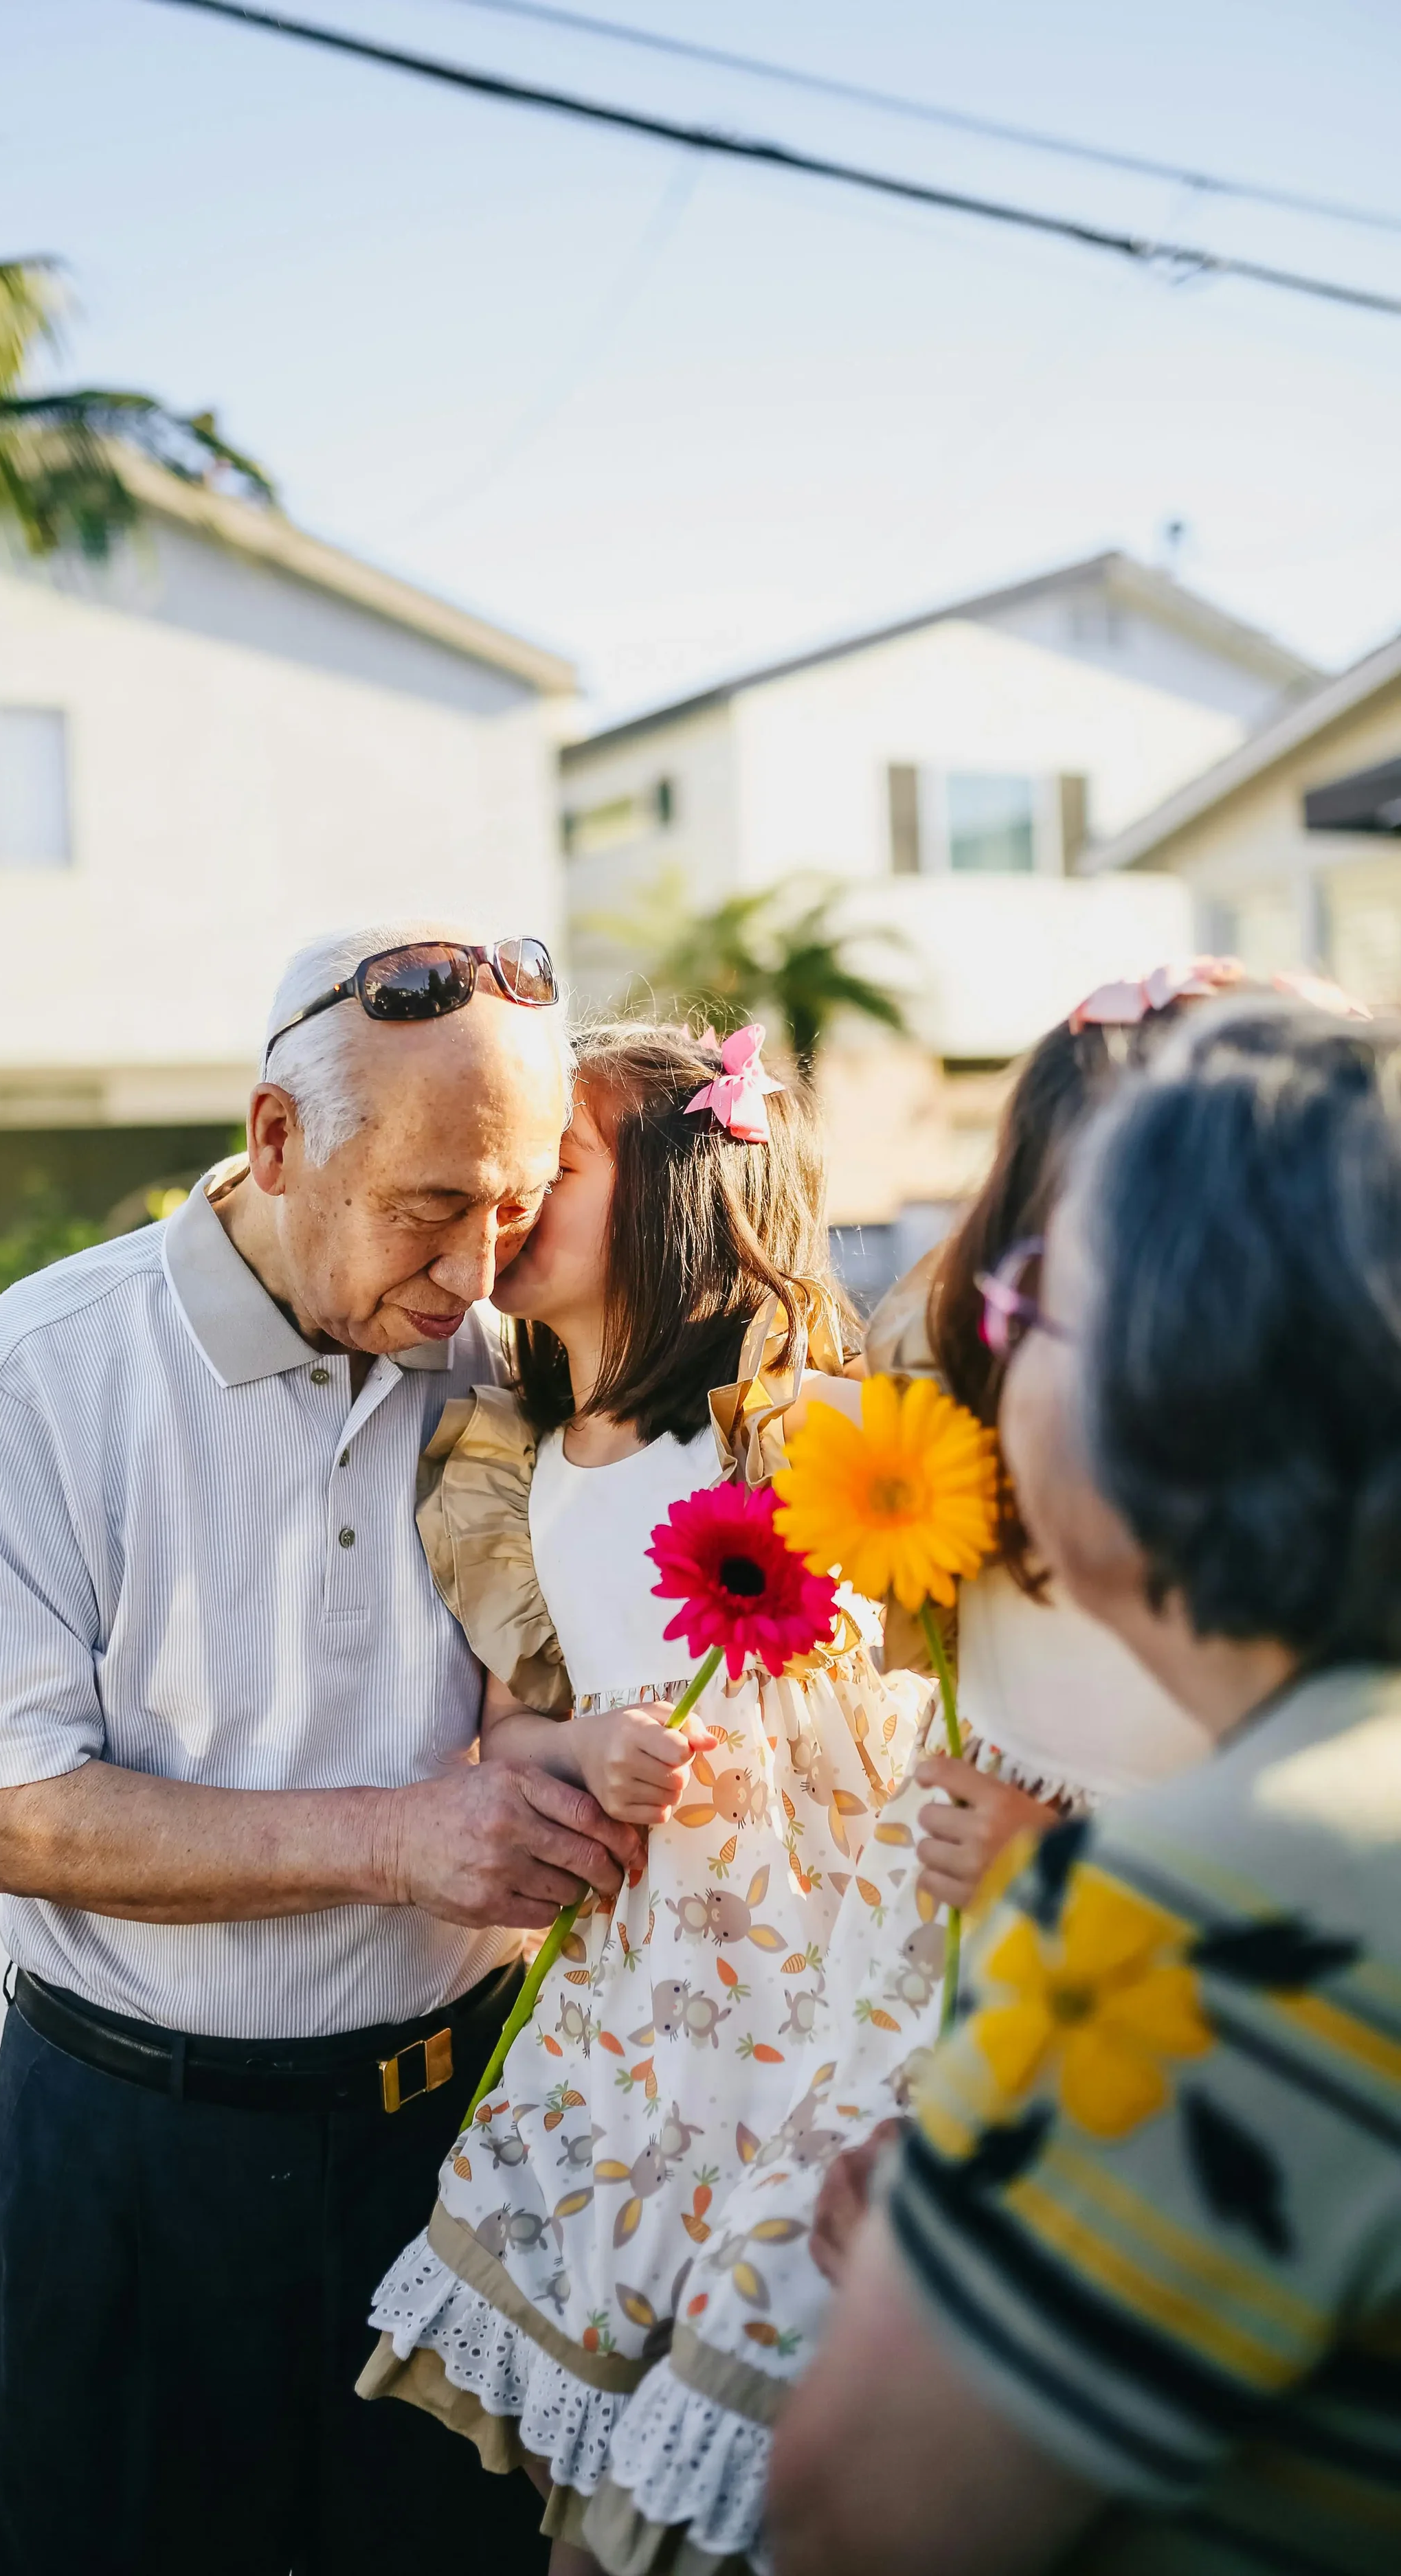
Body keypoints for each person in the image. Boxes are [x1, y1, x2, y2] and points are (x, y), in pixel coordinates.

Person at [0, 923, 645, 2576]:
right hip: (137, 2163)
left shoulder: (506, 1350)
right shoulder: (39, 1372)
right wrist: (395, 1840)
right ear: (277, 1139)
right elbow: (6, 1814)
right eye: (430, 1209)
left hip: (458, 2152)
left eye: (511, 1205)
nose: (474, 1268)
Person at [583, 974, 1215, 2575]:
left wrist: (1054, 1866)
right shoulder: (955, 1436)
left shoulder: (1288, 1505)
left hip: (1146, 2090)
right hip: (926, 2033)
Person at [768, 994, 1401, 2576]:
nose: (985, 1329)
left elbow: (856, 2521)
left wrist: (936, 2245)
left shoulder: (1208, 1904)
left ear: (1175, 1381)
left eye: (1033, 1294)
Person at [357, 1021, 934, 2570]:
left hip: (796, 1957)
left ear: (677, 1187)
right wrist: (581, 1756)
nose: (506, 1203)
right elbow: (513, 1733)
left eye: (551, 1169)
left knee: (759, 2363)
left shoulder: (770, 1429)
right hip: (641, 1994)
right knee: (618, 2395)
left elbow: (899, 1659)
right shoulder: (515, 1463)